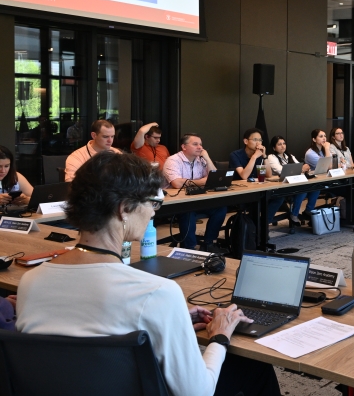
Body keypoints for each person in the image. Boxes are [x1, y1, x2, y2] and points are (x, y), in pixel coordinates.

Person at [17, 152, 281, 396]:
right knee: (255, 368)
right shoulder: (157, 293)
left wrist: (167, 318)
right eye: (153, 203)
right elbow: (198, 392)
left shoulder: (31, 282)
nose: (155, 211)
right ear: (124, 209)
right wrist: (220, 336)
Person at [163, 134, 228, 251]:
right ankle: (190, 247)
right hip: (175, 203)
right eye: (195, 144)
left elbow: (215, 178)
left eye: (201, 144)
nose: (200, 147)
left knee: (220, 208)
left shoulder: (201, 160)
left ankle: (209, 243)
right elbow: (177, 183)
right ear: (184, 146)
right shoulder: (173, 160)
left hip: (197, 200)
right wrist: (201, 182)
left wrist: (207, 158)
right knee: (188, 211)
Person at [265, 136, 318, 225]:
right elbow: (282, 171)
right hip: (281, 186)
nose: (283, 146)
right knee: (303, 190)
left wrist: (303, 168)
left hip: (294, 183)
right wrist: (301, 169)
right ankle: (294, 214)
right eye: (279, 144)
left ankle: (309, 210)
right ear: (274, 147)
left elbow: (300, 166)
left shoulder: (289, 155)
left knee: (316, 186)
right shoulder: (271, 157)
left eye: (284, 143)